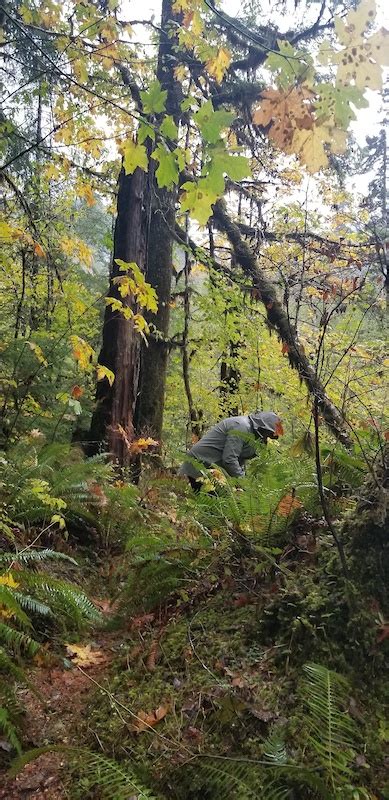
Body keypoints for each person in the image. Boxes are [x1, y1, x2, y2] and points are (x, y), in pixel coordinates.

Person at [179, 411, 284, 491]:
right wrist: (244, 483)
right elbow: (229, 459)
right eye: (269, 434)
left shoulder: (253, 435)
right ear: (263, 427)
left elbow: (240, 460)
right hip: (197, 467)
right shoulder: (241, 426)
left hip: (213, 471)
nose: (268, 437)